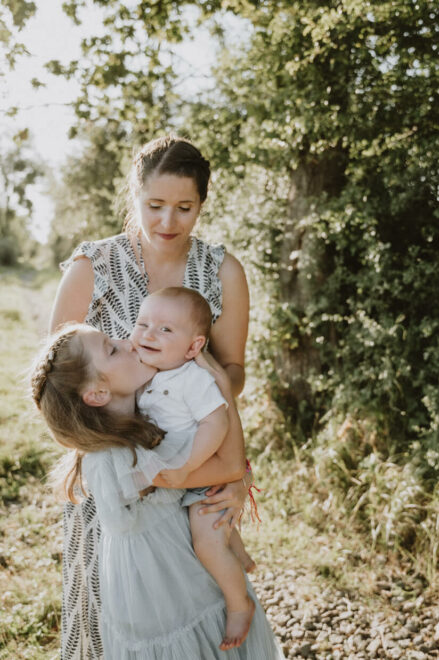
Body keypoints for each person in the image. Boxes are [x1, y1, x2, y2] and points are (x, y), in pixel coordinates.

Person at [49, 135, 252, 658]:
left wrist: (228, 460)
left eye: (185, 207)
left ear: (202, 203)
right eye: (155, 205)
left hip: (194, 454)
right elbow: (60, 381)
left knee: (201, 610)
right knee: (108, 617)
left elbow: (232, 370)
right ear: (134, 196)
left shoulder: (222, 271)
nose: (168, 221)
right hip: (115, 469)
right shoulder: (93, 266)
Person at [31, 324, 285, 659]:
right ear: (98, 394)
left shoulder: (146, 415)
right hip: (167, 590)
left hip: (186, 565)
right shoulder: (122, 461)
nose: (128, 342)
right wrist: (222, 389)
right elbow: (231, 466)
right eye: (111, 349)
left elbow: (223, 465)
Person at [129, 286, 255, 649]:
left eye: (165, 329)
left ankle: (239, 605)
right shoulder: (143, 371)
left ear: (193, 347)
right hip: (178, 473)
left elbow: (216, 423)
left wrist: (188, 467)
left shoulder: (193, 379)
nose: (149, 334)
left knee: (206, 543)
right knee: (212, 533)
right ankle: (239, 553)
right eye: (143, 324)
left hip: (199, 473)